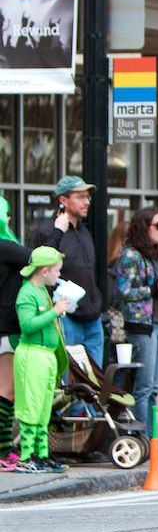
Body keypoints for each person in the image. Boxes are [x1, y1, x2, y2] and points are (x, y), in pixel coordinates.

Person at [112, 207, 158, 434]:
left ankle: (151, 439)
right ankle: (141, 437)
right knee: (144, 386)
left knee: (153, 388)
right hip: (141, 326)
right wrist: (154, 287)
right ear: (144, 227)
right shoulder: (130, 255)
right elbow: (122, 292)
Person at [27, 176, 104, 367]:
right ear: (63, 200)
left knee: (94, 385)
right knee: (69, 382)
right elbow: (37, 272)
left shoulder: (85, 232)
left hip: (93, 318)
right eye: (80, 197)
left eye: (88, 197)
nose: (87, 201)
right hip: (66, 317)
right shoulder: (47, 231)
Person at [11, 246, 69, 473]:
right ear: (44, 271)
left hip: (45, 355)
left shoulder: (42, 291)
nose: (59, 275)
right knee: (31, 408)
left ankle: (42, 454)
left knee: (44, 409)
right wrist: (55, 311)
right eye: (57, 270)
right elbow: (27, 325)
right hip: (32, 354)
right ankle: (26, 456)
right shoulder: (26, 293)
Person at [0, 197, 31, 470]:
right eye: (7, 215)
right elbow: (38, 258)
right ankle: (3, 450)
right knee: (6, 393)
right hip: (5, 329)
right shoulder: (5, 247)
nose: (9, 220)